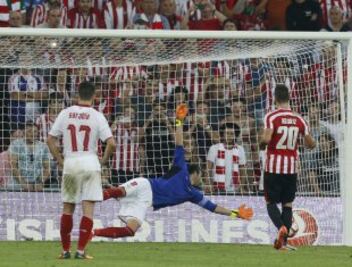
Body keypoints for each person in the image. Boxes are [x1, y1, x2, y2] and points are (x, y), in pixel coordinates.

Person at [92, 104, 254, 239]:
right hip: (145, 185)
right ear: (195, 173)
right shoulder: (181, 167)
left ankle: (93, 233)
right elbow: (179, 143)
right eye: (201, 175)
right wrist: (178, 122)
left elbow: (214, 207)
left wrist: (235, 213)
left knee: (131, 230)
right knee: (118, 191)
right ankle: (89, 198)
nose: (202, 179)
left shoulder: (193, 193)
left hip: (146, 202)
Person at [47, 81, 116, 259]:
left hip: (71, 163)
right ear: (94, 96)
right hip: (90, 163)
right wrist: (103, 161)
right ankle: (80, 251)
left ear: (77, 94)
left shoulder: (65, 113)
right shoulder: (97, 115)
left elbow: (50, 140)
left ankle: (65, 251)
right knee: (88, 210)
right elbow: (111, 143)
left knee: (68, 208)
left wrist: (61, 160)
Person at [259, 84, 316, 250]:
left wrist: (261, 144)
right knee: (287, 204)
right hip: (291, 169)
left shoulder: (271, 116)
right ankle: (283, 243)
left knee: (270, 202)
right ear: (289, 98)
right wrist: (309, 143)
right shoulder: (299, 119)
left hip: (273, 167)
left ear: (275, 98)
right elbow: (310, 144)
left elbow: (267, 139)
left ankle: (281, 228)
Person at [9, 123, 51, 192]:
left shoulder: (43, 147)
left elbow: (47, 168)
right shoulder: (15, 145)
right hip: (17, 185)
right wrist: (23, 182)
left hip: (36, 186)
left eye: (35, 131)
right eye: (29, 131)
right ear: (24, 132)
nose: (33, 134)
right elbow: (13, 166)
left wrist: (40, 182)